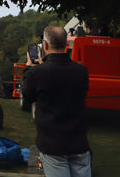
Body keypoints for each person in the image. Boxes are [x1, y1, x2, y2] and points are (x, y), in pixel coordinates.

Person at [21, 25, 91, 176]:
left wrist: (28, 69)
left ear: (45, 45)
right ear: (66, 44)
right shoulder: (82, 71)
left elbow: (27, 97)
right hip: (79, 141)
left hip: (53, 144)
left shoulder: (37, 72)